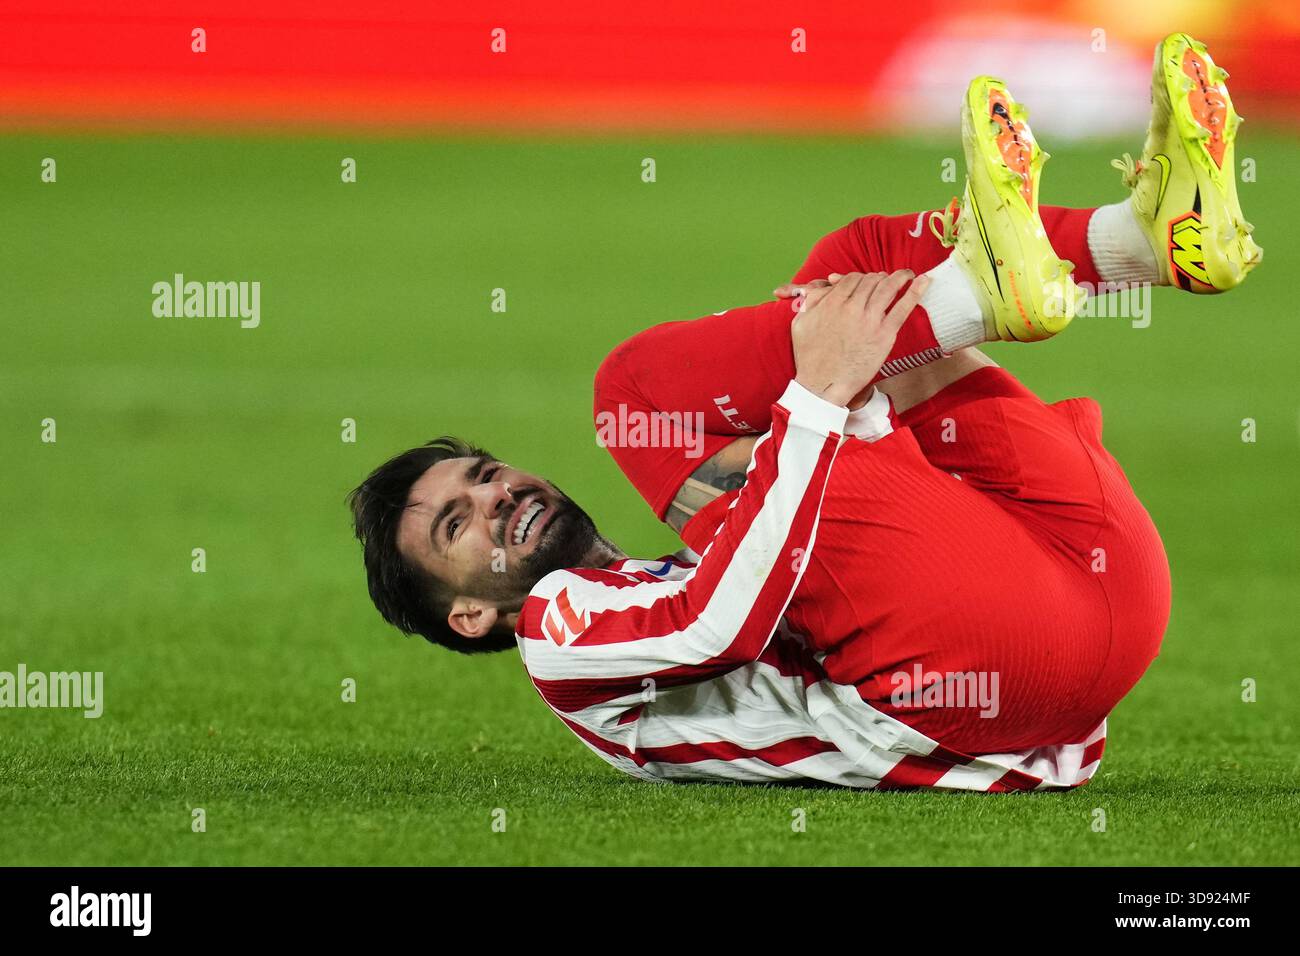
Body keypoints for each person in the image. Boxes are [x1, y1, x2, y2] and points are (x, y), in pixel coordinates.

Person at [348, 35, 1260, 789]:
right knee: (633, 392)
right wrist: (819, 393)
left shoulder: (660, 571)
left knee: (857, 262)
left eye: (483, 474)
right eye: (459, 523)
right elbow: (719, 624)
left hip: (1104, 611)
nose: (499, 495)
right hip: (982, 669)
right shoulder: (559, 638)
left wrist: (840, 376)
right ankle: (995, 290)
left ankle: (1148, 239)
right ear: (467, 615)